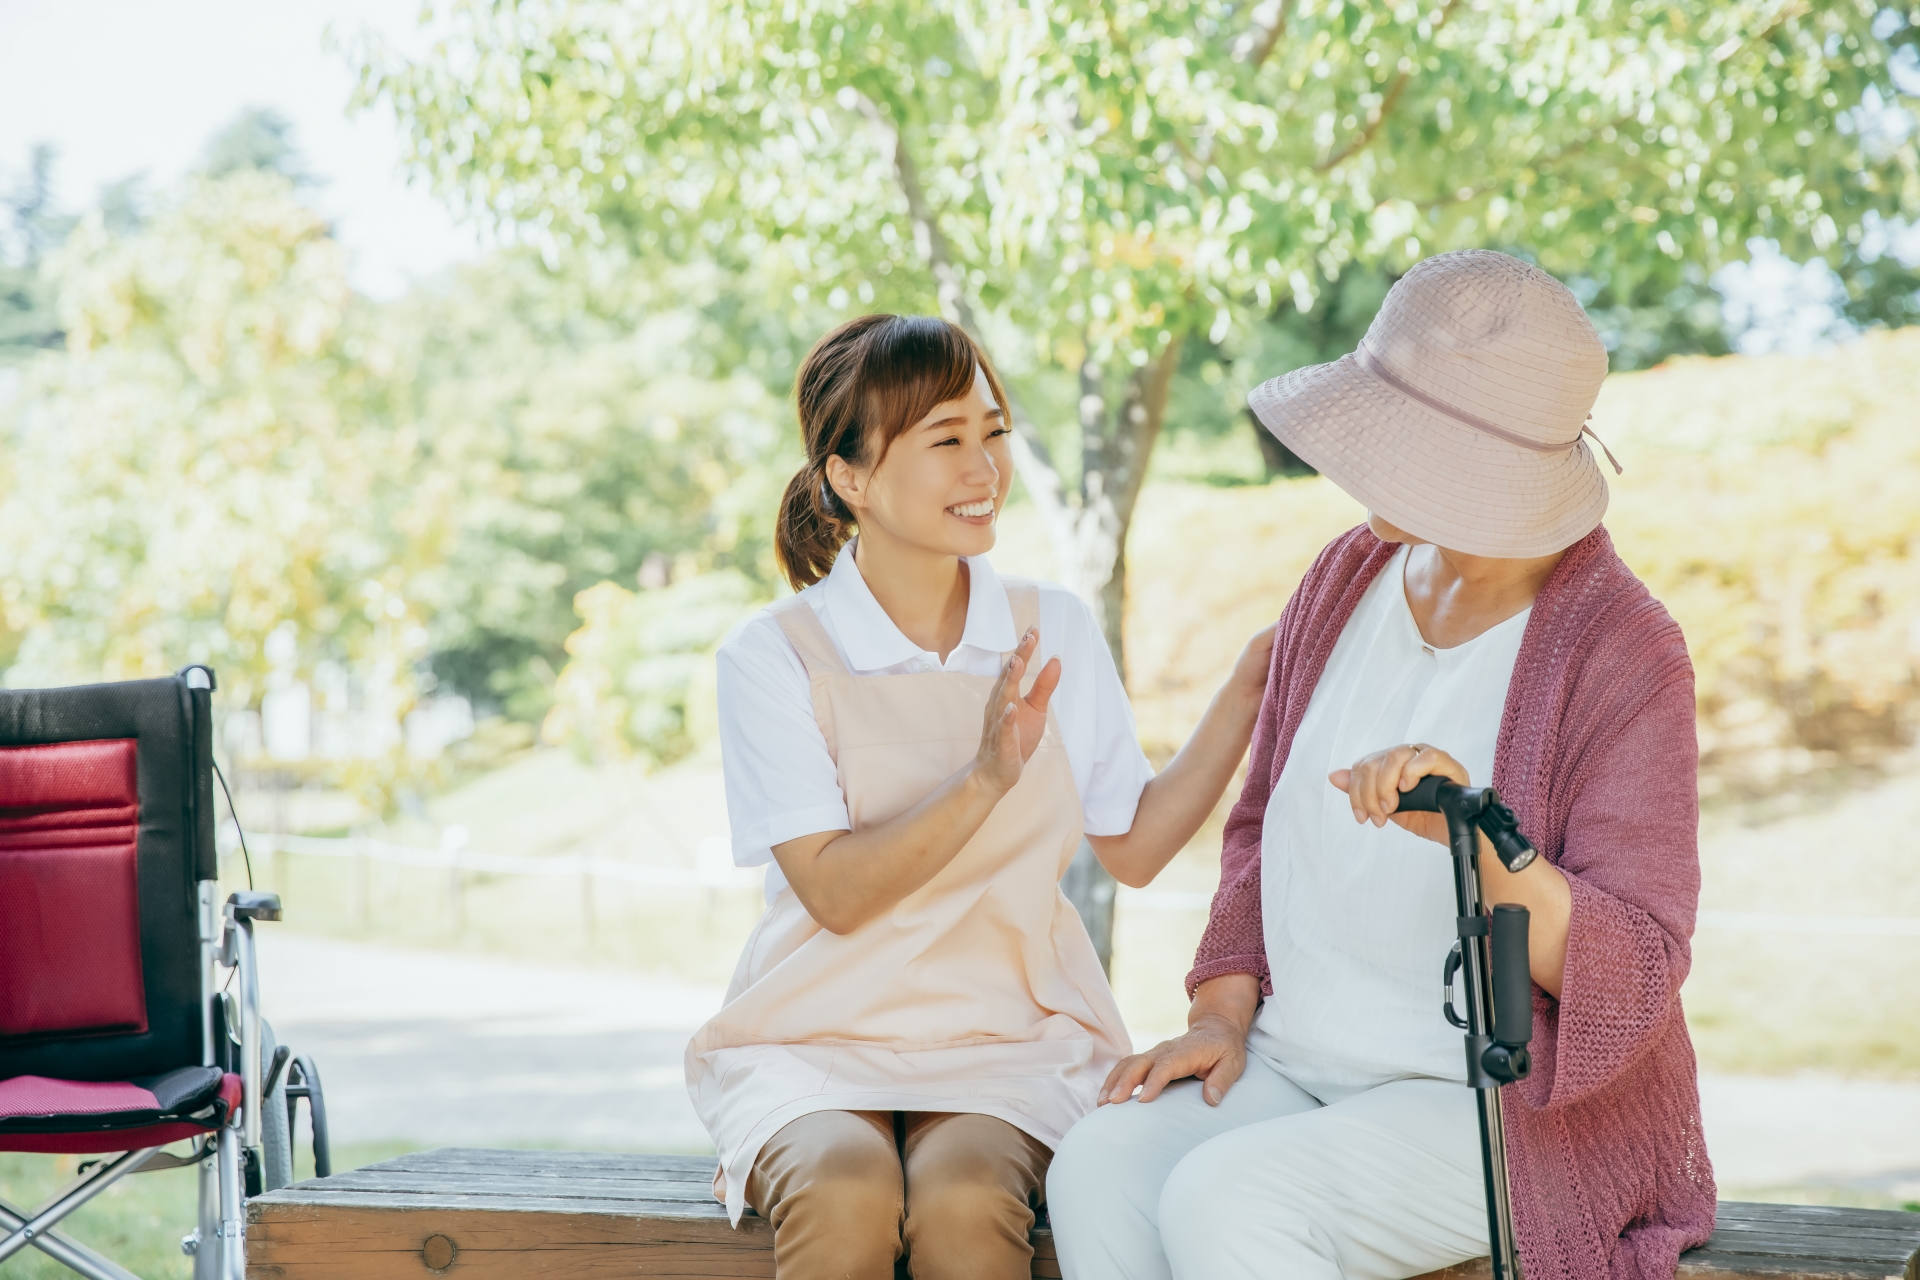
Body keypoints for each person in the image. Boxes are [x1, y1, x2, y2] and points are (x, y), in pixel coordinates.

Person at [1046, 250, 1716, 1280]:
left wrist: (1478, 831)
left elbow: (1637, 969)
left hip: (1496, 1110)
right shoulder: (1342, 575)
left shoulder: (1621, 647)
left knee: (1232, 1199)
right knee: (1101, 1164)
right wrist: (1223, 1014)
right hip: (1295, 1060)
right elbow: (1259, 824)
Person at [684, 313, 1273, 1280]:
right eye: (945, 439)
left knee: (963, 1200)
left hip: (1012, 1033)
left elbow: (1133, 841)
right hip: (812, 1031)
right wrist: (985, 778)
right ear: (850, 477)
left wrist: (1250, 683)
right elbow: (834, 893)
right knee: (842, 1188)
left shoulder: (1053, 627)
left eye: (992, 430)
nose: (984, 465)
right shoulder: (775, 654)